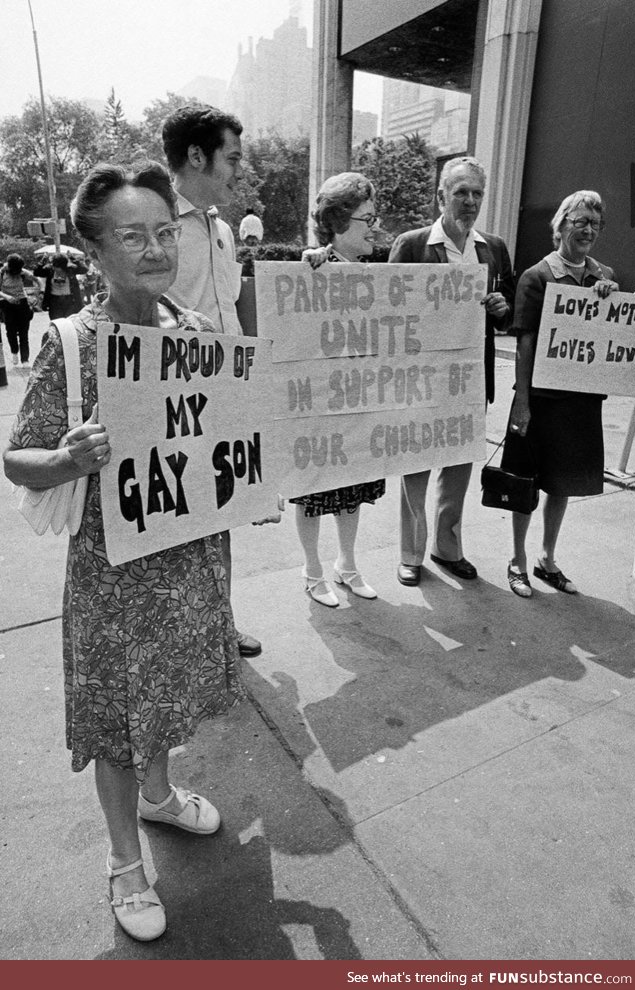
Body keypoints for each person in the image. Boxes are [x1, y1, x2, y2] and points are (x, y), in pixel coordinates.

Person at [3, 161, 244, 942]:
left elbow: (227, 444)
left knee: (166, 701)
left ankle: (160, 797)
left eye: (164, 232)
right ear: (95, 252)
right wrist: (69, 457)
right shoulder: (72, 345)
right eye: (133, 235)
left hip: (188, 564)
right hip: (112, 579)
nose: (155, 249)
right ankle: (124, 862)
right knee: (116, 719)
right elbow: (18, 457)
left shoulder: (198, 334)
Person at [161, 103, 262, 658]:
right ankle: (182, 638)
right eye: (233, 157)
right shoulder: (155, 226)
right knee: (175, 521)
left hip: (223, 395)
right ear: (197, 156)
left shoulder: (222, 228)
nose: (239, 170)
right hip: (172, 401)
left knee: (219, 515)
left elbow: (233, 306)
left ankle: (219, 624)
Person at [389, 156, 515, 586]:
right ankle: (411, 553)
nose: (470, 201)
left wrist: (502, 310)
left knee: (459, 467)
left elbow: (508, 311)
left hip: (470, 380)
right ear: (440, 196)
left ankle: (448, 547)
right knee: (415, 467)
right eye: (460, 192)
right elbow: (387, 312)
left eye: (477, 193)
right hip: (421, 380)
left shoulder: (493, 248)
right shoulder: (412, 244)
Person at [504, 190, 618, 598]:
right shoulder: (537, 277)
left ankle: (546, 559)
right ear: (561, 226)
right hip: (541, 400)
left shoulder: (601, 275)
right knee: (526, 482)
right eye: (580, 221)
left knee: (563, 482)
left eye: (594, 223)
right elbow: (525, 343)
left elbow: (608, 335)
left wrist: (609, 299)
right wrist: (522, 402)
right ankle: (517, 559)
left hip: (579, 401)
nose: (587, 230)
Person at [294, 171, 386, 607]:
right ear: (336, 220)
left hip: (359, 400)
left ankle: (346, 565)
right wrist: (311, 263)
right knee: (312, 489)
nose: (376, 227)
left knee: (352, 490)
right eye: (367, 219)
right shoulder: (312, 268)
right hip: (317, 405)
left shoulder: (377, 276)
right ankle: (313, 572)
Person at [0, 253, 38, 366]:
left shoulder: (22, 271)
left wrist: (38, 293)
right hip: (7, 304)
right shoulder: (2, 272)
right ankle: (14, 352)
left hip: (22, 303)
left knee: (23, 332)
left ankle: (25, 359)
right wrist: (7, 297)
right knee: (10, 331)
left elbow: (36, 279)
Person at [34, 252, 86, 320]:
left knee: (70, 323)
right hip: (55, 302)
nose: (57, 269)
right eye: (55, 267)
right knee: (57, 323)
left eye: (59, 268)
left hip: (70, 301)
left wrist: (73, 259)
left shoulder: (71, 269)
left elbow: (84, 269)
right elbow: (36, 272)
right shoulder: (50, 270)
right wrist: (43, 260)